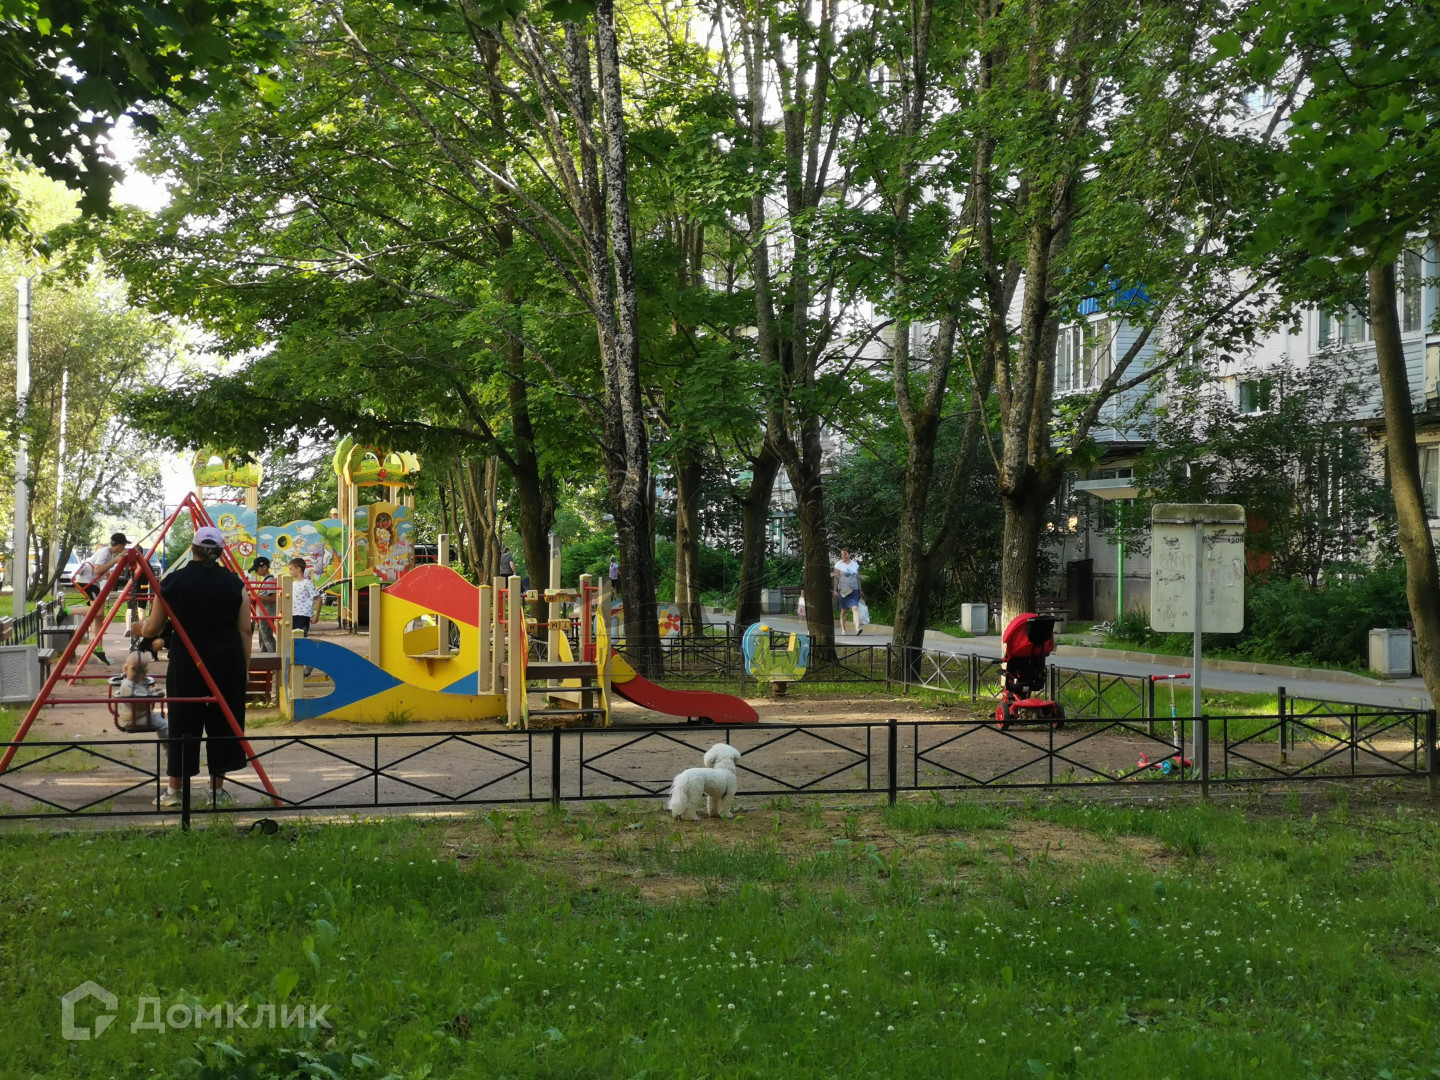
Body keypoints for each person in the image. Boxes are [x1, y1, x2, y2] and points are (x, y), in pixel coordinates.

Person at [130, 526, 251, 810]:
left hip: (187, 659)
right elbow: (245, 630)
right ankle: (217, 792)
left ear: (192, 549)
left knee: (183, 719)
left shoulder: (173, 582)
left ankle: (175, 790)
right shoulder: (235, 584)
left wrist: (139, 629)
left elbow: (153, 626)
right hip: (226, 660)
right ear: (220, 553)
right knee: (224, 721)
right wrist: (245, 667)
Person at [72, 532, 129, 666]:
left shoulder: (108, 554)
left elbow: (104, 570)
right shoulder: (105, 552)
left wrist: (111, 574)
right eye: (124, 545)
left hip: (93, 583)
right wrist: (114, 562)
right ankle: (65, 610)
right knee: (97, 612)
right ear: (119, 545)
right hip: (87, 582)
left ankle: (98, 650)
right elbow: (97, 570)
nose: (124, 548)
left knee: (99, 617)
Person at [288, 557, 321, 678]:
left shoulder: (307, 583)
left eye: (291, 569)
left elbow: (318, 598)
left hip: (303, 614)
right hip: (292, 614)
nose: (290, 571)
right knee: (294, 641)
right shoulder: (291, 584)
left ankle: (310, 660)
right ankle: (301, 665)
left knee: (301, 640)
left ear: (298, 569)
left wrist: (316, 615)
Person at [832, 548, 864, 636]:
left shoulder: (855, 564)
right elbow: (836, 578)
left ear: (849, 554)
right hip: (842, 590)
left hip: (854, 589)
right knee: (844, 610)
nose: (844, 556)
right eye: (842, 554)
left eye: (845, 554)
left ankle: (857, 628)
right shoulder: (838, 564)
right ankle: (843, 629)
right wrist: (834, 590)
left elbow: (858, 578)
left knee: (855, 607)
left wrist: (860, 590)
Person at [250, 556, 277, 653]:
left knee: (267, 637)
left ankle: (272, 657)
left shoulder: (269, 580)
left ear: (264, 567)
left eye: (256, 569)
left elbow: (274, 598)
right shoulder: (265, 580)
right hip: (262, 614)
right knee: (262, 638)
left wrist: (258, 597)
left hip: (267, 614)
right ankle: (265, 656)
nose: (255, 572)